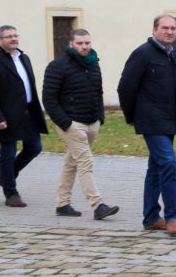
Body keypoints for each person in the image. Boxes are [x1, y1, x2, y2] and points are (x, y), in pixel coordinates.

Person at [117, 15, 176, 236]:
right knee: (168, 163)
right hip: (151, 120)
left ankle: (151, 217)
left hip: (169, 120)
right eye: (165, 28)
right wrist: (132, 116)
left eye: (173, 28)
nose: (169, 32)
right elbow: (125, 87)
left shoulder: (174, 55)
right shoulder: (143, 54)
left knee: (156, 168)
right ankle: (172, 217)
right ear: (155, 30)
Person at [41, 29, 118, 220]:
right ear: (71, 44)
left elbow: (98, 92)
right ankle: (98, 205)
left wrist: (100, 117)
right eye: (80, 43)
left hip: (92, 122)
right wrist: (66, 123)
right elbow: (49, 98)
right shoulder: (57, 66)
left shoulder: (93, 63)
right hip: (72, 124)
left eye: (87, 43)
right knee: (85, 161)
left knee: (72, 163)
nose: (84, 47)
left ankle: (62, 204)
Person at [0, 25, 48, 208]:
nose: (13, 39)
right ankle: (11, 194)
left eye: (15, 35)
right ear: (0, 40)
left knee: (34, 147)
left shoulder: (24, 58)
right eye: (9, 36)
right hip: (7, 115)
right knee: (8, 153)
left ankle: (6, 176)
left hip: (28, 112)